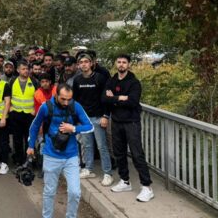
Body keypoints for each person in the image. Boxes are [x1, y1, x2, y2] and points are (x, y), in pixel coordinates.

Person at [27, 84, 93, 218]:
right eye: (63, 99)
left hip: (71, 156)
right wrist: (30, 146)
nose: (66, 102)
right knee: (49, 191)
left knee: (75, 192)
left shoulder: (76, 106)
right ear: (56, 95)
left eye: (69, 99)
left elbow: (90, 126)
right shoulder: (46, 107)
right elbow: (34, 126)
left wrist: (73, 128)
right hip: (51, 155)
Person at [103, 54, 154, 202]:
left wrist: (114, 98)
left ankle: (147, 187)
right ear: (115, 64)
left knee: (137, 154)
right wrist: (120, 98)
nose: (121, 64)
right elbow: (104, 99)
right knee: (119, 153)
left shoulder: (134, 83)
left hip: (131, 122)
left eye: (124, 62)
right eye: (118, 62)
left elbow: (132, 102)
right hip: (116, 122)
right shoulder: (111, 80)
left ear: (129, 65)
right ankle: (125, 181)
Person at [72, 53, 113, 186]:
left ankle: (108, 173)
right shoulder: (77, 80)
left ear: (91, 64)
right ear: (78, 65)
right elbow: (75, 101)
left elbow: (106, 99)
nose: (83, 64)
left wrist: (106, 116)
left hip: (98, 117)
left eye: (86, 62)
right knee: (87, 145)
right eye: (81, 62)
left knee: (102, 146)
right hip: (84, 120)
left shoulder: (100, 78)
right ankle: (88, 169)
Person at [9, 61, 36, 166]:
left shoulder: (34, 81)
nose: (26, 71)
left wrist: (35, 110)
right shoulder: (12, 81)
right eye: (23, 69)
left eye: (27, 69)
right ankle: (19, 160)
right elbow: (8, 96)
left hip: (30, 115)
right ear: (18, 70)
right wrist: (10, 109)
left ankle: (28, 160)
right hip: (16, 114)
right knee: (17, 139)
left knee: (29, 138)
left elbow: (38, 96)